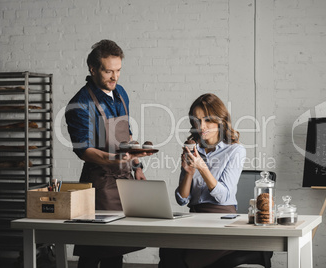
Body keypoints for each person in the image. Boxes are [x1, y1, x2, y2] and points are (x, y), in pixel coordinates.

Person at [65, 39, 149, 268]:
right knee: (96, 246)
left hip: (124, 177)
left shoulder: (120, 93)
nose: (115, 77)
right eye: (108, 71)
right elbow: (84, 151)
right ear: (93, 69)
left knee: (117, 245)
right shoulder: (80, 103)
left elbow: (126, 135)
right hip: (99, 182)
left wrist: (137, 166)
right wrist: (114, 159)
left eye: (118, 70)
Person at [159, 93, 246, 268]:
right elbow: (182, 199)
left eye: (207, 120)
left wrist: (202, 168)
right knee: (167, 250)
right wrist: (189, 172)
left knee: (181, 261)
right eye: (197, 121)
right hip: (194, 217)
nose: (201, 127)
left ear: (220, 120)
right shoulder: (193, 148)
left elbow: (223, 196)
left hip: (222, 219)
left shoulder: (235, 151)